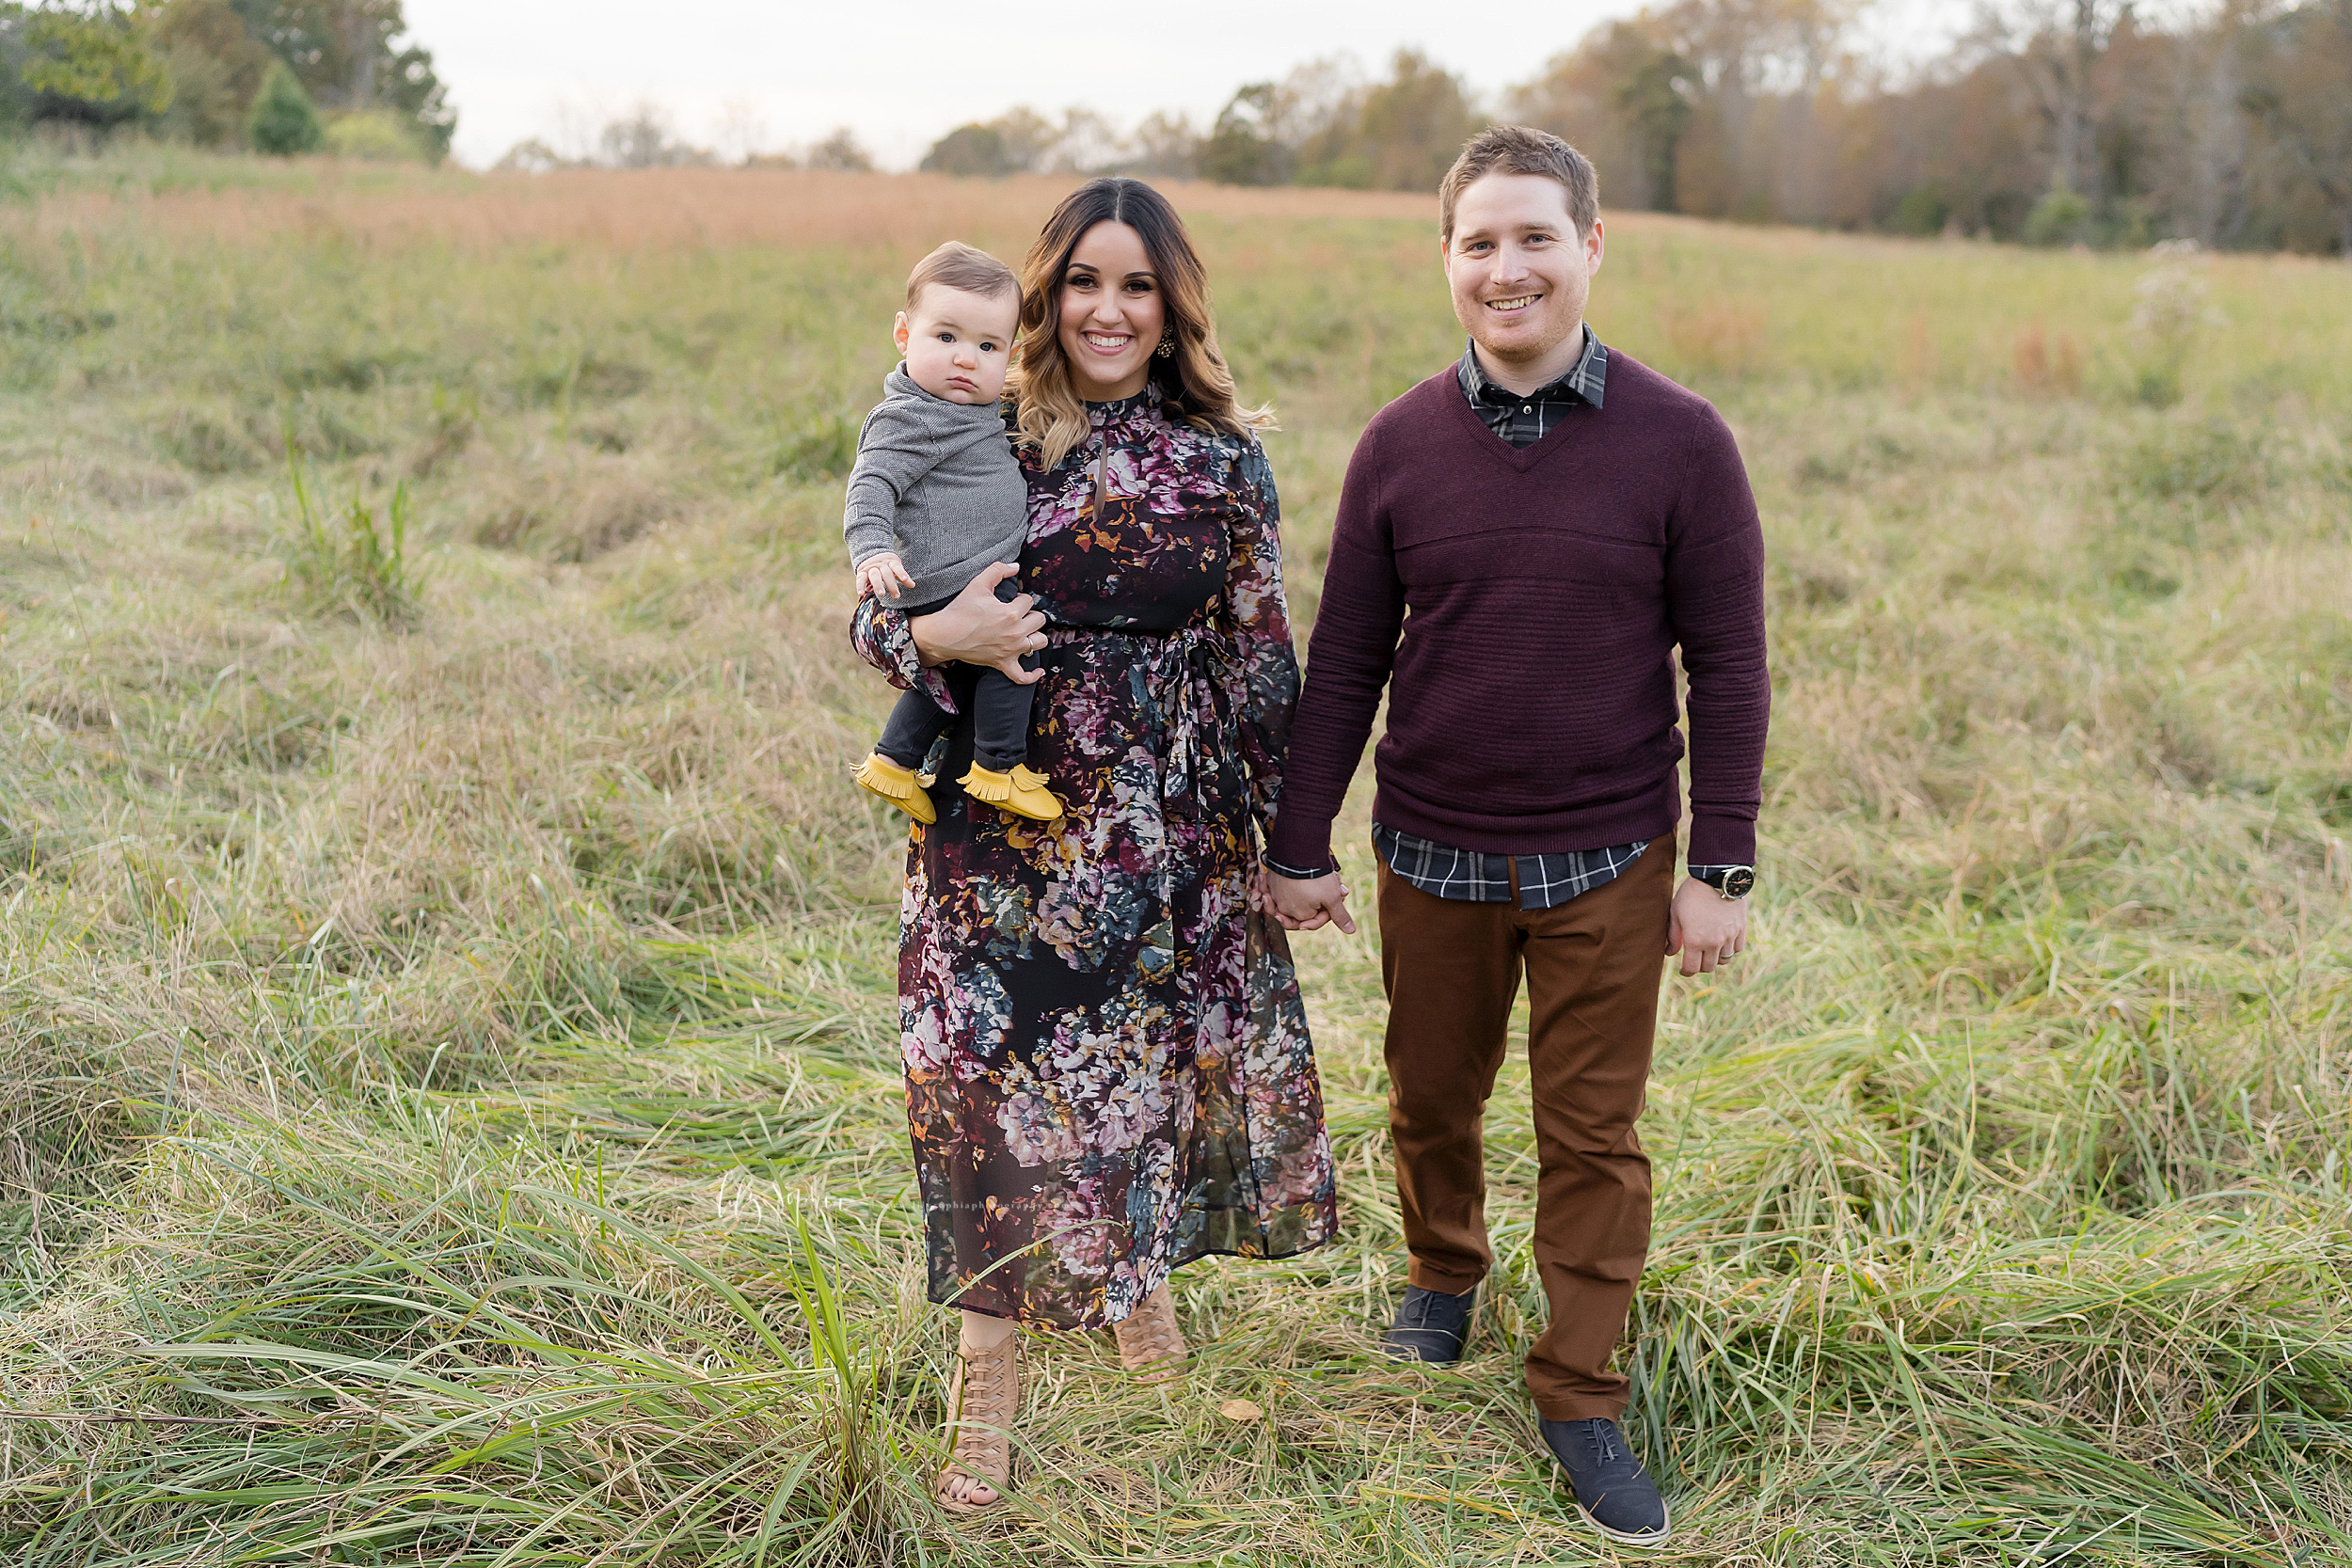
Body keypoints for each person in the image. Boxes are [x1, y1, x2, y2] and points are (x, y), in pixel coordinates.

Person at [1263, 125, 1770, 1547]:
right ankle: (1442, 1274)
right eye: (1480, 242)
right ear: (1447, 261)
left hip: (1608, 856)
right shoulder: (1398, 446)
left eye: (1536, 236)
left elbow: (1727, 666)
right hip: (1430, 848)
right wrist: (1300, 839)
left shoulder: (1682, 441)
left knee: (1592, 1136)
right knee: (1429, 1094)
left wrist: (1719, 867)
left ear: (1592, 248)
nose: (1509, 267)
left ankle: (1579, 1390)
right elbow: (1349, 653)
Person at [850, 177, 1339, 1515]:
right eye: (1083, 282)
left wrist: (1297, 842)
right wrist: (924, 639)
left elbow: (1260, 658)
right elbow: (878, 604)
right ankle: (987, 1385)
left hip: (1158, 829)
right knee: (979, 1099)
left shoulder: (1218, 454)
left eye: (1137, 284)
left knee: (1144, 1079)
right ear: (1043, 293)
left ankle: (1137, 1299)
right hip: (993, 830)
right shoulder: (983, 426)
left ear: (1173, 303)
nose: (1109, 310)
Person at [845, 241, 1063, 824]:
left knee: (953, 678)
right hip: (952, 573)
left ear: (1011, 354)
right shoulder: (909, 414)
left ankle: (893, 761)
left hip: (961, 569)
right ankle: (998, 766)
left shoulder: (974, 409)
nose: (966, 359)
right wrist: (872, 549)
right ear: (903, 333)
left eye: (987, 346)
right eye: (946, 338)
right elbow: (871, 484)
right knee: (1015, 640)